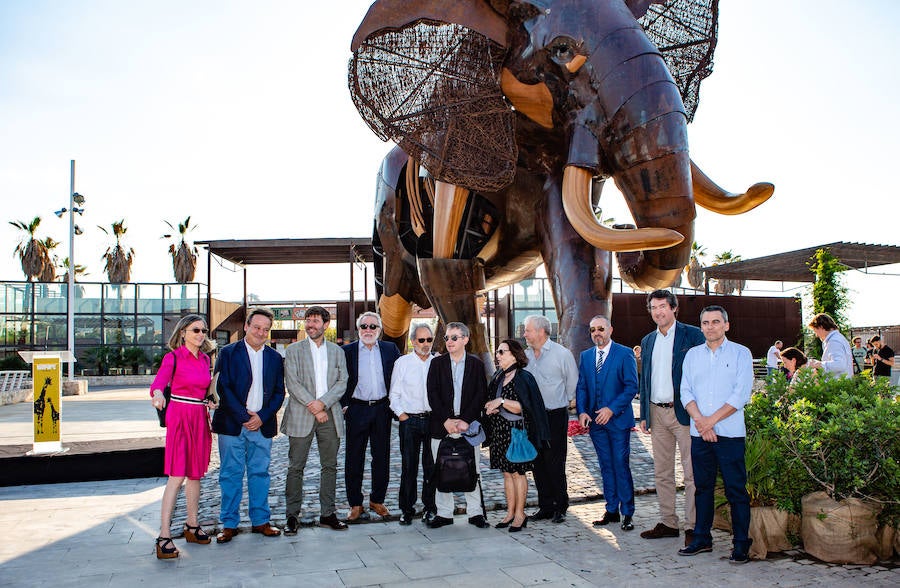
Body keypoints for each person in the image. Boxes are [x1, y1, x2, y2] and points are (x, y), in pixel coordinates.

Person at [678, 305, 754, 564]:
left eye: (716, 322)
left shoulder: (741, 354)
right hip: (700, 435)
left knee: (736, 490)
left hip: (730, 435)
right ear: (701, 327)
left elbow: (740, 395)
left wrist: (710, 422)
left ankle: (741, 544)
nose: (710, 326)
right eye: (706, 323)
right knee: (702, 489)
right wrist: (702, 423)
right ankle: (701, 538)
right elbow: (685, 392)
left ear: (726, 325)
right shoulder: (692, 356)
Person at [637, 290, 705, 545]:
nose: (658, 312)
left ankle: (693, 526)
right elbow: (646, 380)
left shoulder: (692, 335)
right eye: (653, 307)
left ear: (674, 308)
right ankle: (668, 522)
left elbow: (701, 372)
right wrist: (644, 413)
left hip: (685, 412)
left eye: (663, 306)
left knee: (691, 473)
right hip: (656, 412)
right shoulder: (647, 341)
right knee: (662, 472)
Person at [212, 307, 285, 543]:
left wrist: (261, 417)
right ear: (246, 326)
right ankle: (229, 524)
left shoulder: (275, 357)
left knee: (260, 473)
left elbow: (277, 393)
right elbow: (223, 387)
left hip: (262, 426)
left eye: (266, 329)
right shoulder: (228, 352)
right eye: (257, 327)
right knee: (230, 474)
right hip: (232, 425)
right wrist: (245, 417)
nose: (261, 332)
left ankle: (261, 521)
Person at [149, 314, 215, 559]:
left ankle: (192, 524)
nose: (201, 334)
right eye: (196, 330)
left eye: (204, 331)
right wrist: (158, 395)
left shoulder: (206, 359)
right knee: (177, 476)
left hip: (199, 416)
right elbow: (158, 383)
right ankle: (164, 535)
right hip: (179, 416)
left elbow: (205, 389)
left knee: (196, 474)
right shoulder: (173, 357)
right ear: (183, 332)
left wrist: (210, 401)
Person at [282, 306, 350, 533]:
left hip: (330, 415)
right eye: (307, 320)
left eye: (315, 321)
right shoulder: (293, 350)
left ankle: (327, 513)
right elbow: (292, 383)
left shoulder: (337, 351)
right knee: (295, 467)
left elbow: (343, 381)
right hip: (302, 415)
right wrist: (315, 406)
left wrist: (324, 404)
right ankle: (292, 515)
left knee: (329, 466)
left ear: (326, 325)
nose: (310, 324)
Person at [576, 315, 638, 531]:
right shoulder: (585, 356)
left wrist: (611, 409)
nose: (596, 333)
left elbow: (631, 386)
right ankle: (611, 509)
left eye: (600, 328)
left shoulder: (624, 353)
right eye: (593, 330)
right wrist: (582, 411)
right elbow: (582, 386)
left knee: (620, 464)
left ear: (610, 329)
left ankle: (627, 512)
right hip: (595, 424)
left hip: (618, 421)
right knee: (605, 465)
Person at [425, 322, 490, 529]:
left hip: (468, 427)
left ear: (465, 339)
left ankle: (475, 513)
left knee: (473, 468)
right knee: (440, 469)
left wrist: (466, 420)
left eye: (454, 338)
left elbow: (481, 394)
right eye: (447, 338)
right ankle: (444, 513)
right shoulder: (437, 364)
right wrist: (446, 420)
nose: (449, 342)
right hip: (441, 426)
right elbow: (432, 393)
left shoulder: (476, 364)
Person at [485, 339, 550, 532]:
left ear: (514, 354)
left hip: (516, 434)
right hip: (499, 432)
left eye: (501, 352)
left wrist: (502, 401)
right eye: (497, 352)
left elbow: (527, 407)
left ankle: (520, 514)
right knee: (506, 473)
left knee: (518, 474)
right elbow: (494, 401)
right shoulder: (498, 376)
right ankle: (510, 512)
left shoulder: (524, 377)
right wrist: (493, 407)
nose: (497, 355)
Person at [341, 311, 401, 522]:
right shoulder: (346, 351)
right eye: (364, 326)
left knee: (381, 457)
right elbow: (338, 379)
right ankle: (355, 504)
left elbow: (400, 377)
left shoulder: (390, 349)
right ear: (358, 329)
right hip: (356, 409)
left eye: (372, 326)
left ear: (380, 330)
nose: (368, 330)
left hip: (381, 409)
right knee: (354, 458)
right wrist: (344, 405)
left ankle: (377, 500)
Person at [522, 315, 578, 524]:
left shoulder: (562, 354)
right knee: (537, 462)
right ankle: (545, 506)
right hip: (532, 417)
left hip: (554, 415)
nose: (525, 334)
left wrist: (571, 403)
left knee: (555, 461)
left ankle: (560, 506)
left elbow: (573, 383)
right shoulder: (525, 357)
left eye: (528, 330)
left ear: (540, 331)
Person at [388, 323, 437, 526]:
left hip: (433, 421)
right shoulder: (403, 363)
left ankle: (430, 508)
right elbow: (394, 394)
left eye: (429, 340)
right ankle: (406, 509)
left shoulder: (438, 362)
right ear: (413, 341)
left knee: (431, 467)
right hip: (410, 421)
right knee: (409, 467)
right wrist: (402, 416)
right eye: (421, 340)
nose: (425, 344)